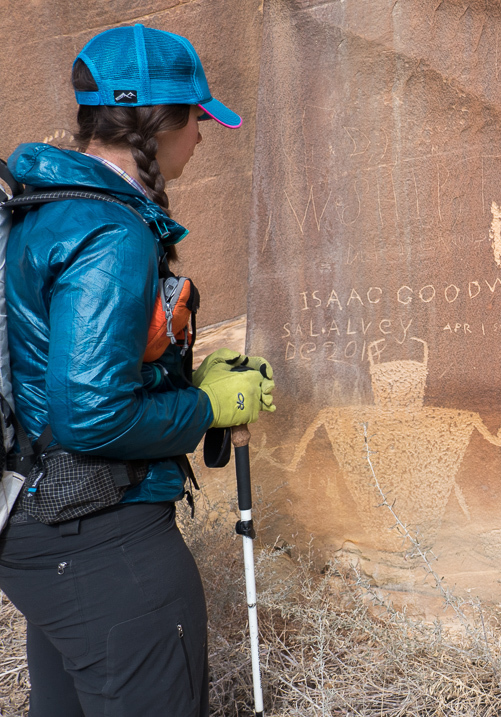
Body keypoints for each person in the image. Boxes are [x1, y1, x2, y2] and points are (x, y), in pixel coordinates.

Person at [0, 24, 274, 716]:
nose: (202, 136)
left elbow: (54, 373)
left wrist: (185, 380)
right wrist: (209, 407)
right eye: (197, 117)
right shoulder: (110, 231)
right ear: (161, 123)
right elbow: (92, 415)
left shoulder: (43, 206)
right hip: (100, 537)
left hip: (35, 521)